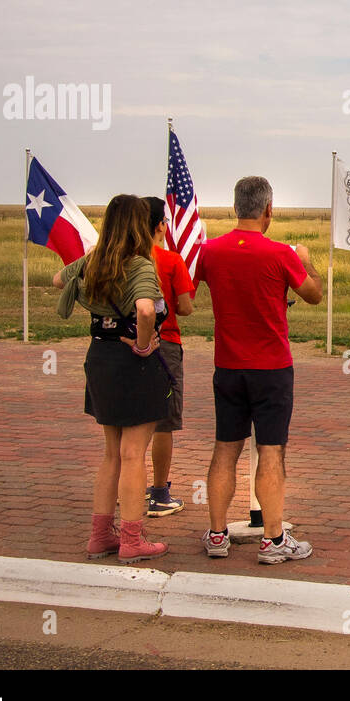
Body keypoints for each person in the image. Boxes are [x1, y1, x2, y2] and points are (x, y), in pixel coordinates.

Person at [195, 176, 323, 563]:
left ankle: (217, 534)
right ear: (268, 209)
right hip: (271, 368)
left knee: (225, 449)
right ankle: (273, 539)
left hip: (228, 365)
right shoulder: (281, 254)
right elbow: (314, 295)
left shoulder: (209, 251)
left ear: (236, 207)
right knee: (271, 451)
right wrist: (306, 260)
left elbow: (189, 291)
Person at [52, 194, 169, 564]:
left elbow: (58, 280)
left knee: (110, 454)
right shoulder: (140, 266)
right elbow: (146, 308)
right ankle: (133, 539)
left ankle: (100, 535)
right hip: (131, 361)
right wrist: (144, 342)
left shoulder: (92, 261)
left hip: (99, 357)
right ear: (138, 225)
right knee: (134, 453)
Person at [143, 197, 195, 518]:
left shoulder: (124, 260)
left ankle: (131, 487)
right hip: (165, 344)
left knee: (132, 419)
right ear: (161, 225)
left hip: (129, 344)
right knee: (163, 421)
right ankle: (160, 492)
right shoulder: (170, 261)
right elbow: (185, 308)